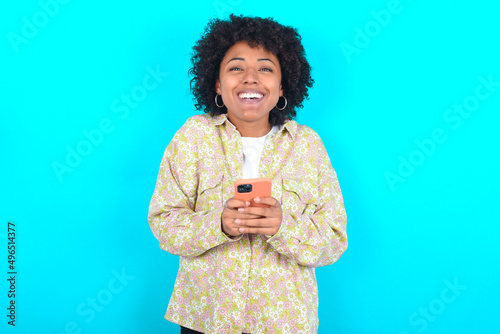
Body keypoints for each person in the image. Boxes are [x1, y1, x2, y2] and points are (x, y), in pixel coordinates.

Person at [148, 14, 348, 334]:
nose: (250, 78)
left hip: (285, 322)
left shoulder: (307, 145)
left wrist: (283, 227)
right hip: (206, 319)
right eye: (236, 67)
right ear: (216, 83)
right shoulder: (193, 137)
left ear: (282, 86)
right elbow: (164, 223)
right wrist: (219, 224)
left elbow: (334, 239)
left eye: (266, 68)